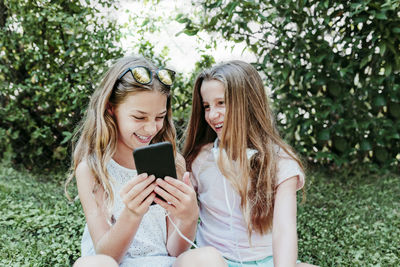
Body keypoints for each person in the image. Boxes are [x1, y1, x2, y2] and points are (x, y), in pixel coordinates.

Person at [65, 55, 226, 267]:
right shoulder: (92, 169)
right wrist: (131, 214)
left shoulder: (173, 162)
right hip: (116, 263)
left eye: (159, 117)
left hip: (162, 262)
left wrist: (188, 217)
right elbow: (105, 255)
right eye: (139, 117)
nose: (151, 128)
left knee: (209, 258)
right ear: (110, 109)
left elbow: (174, 251)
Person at [180, 60, 318, 267]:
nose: (211, 114)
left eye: (221, 103)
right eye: (207, 106)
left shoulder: (281, 161)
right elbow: (182, 217)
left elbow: (284, 229)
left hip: (269, 261)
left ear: (247, 104)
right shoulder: (200, 159)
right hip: (218, 262)